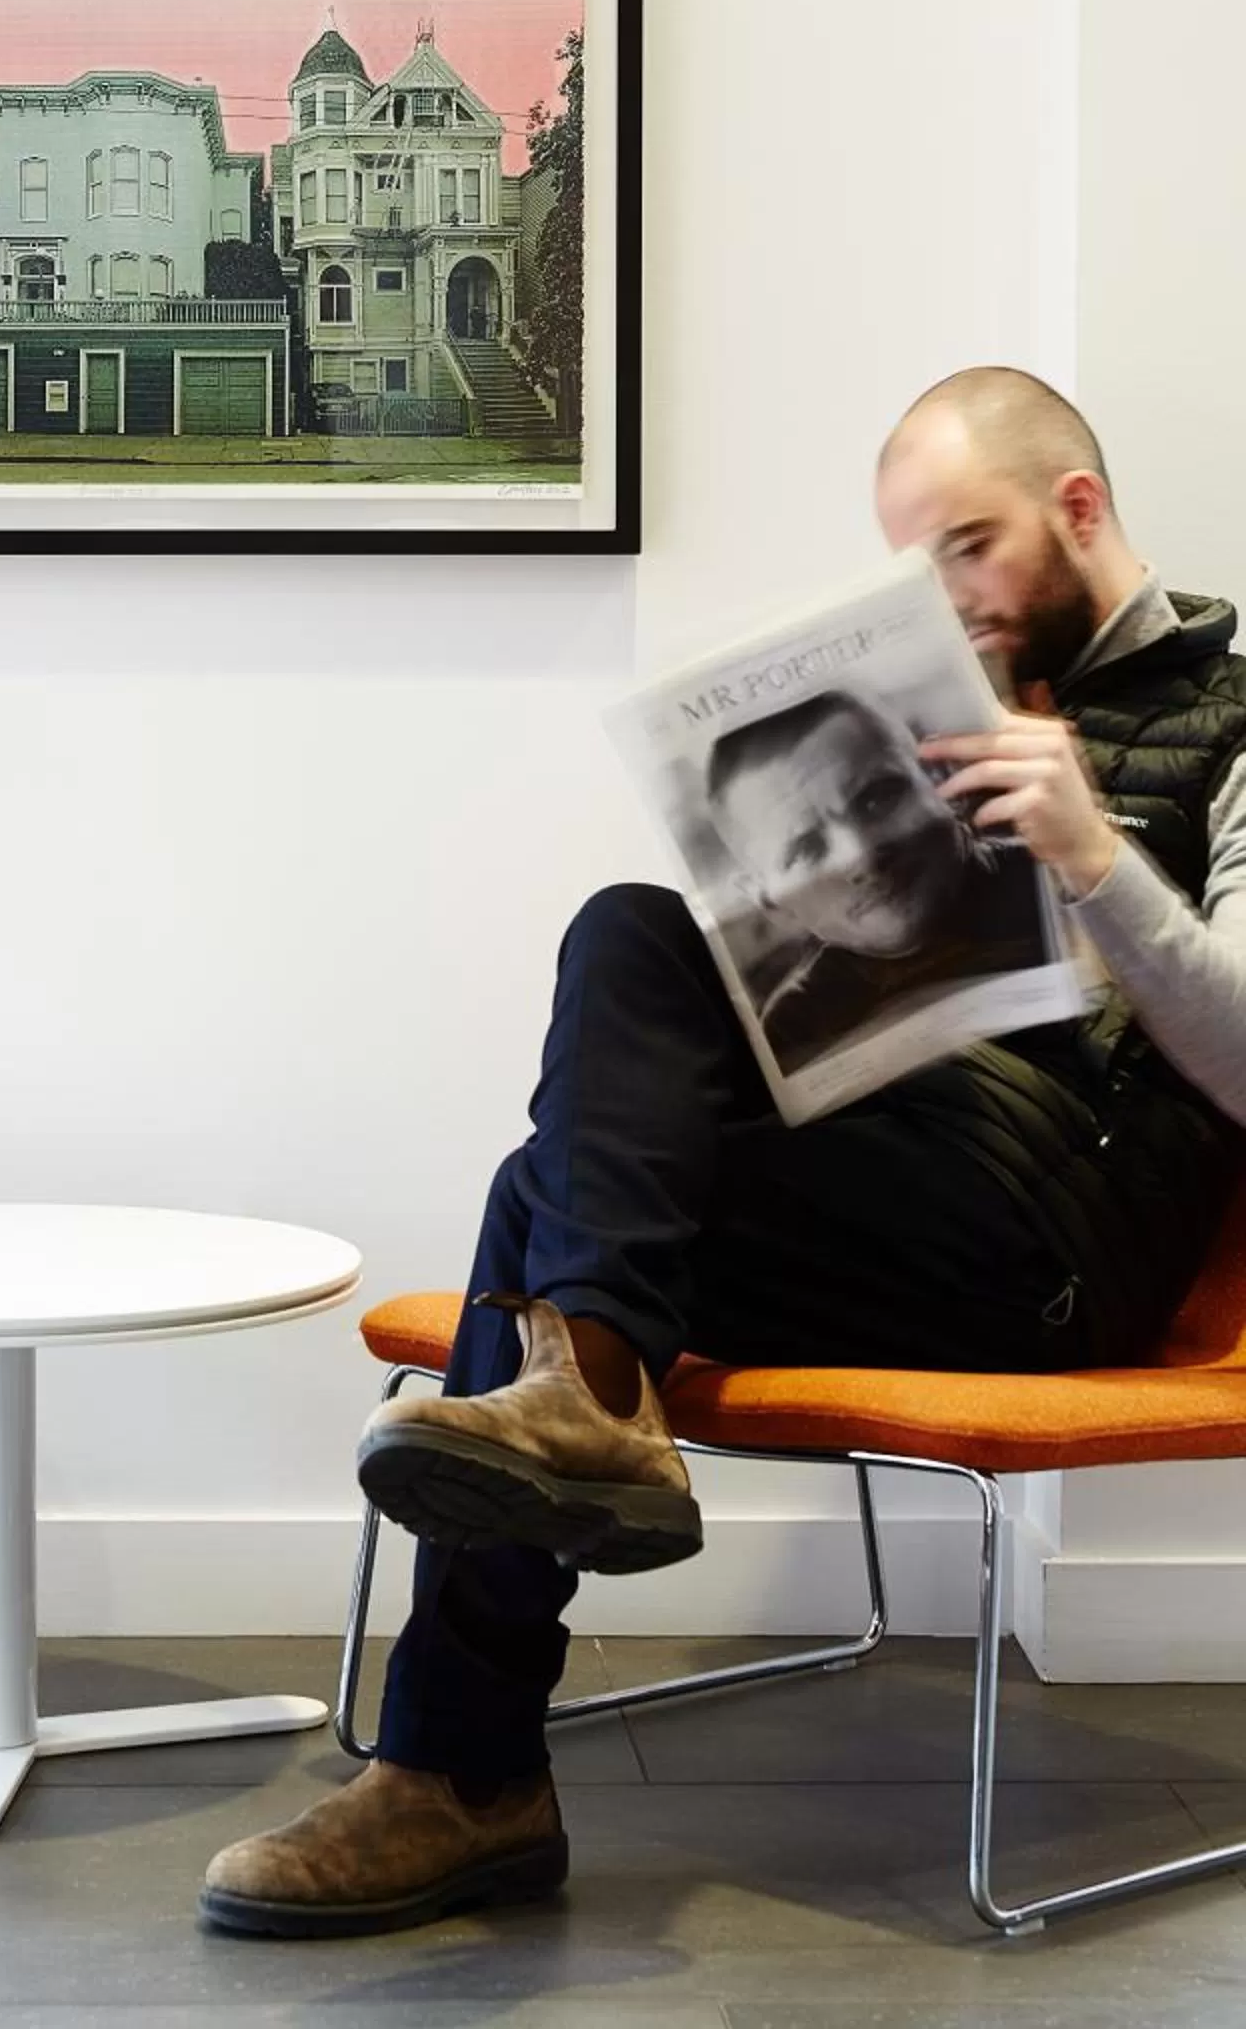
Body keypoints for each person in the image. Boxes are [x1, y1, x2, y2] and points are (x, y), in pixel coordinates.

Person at [199, 367, 1246, 1940]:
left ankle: (463, 1763)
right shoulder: (942, 709)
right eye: (918, 568)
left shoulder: (1237, 726)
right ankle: (590, 1409)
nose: (949, 596)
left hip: (1051, 1254)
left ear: (1077, 508)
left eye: (968, 547)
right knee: (629, 933)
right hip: (885, 1191)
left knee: (540, 1203)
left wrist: (1095, 856)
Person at [707, 689, 1055, 1069]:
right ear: (769, 901)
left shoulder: (1058, 881)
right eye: (806, 849)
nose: (861, 855)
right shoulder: (796, 1028)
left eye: (877, 799)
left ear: (942, 778)